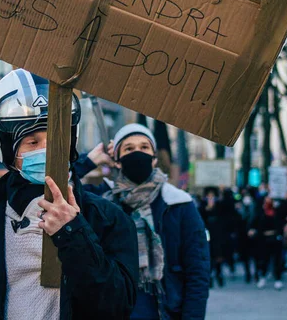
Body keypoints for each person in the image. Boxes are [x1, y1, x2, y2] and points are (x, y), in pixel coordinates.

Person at [0, 69, 139, 320]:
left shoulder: (109, 219)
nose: (46, 150)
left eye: (55, 138)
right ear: (9, 151)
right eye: (32, 143)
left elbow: (117, 306)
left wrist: (74, 232)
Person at [81, 124, 210, 320]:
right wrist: (90, 160)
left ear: (154, 158)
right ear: (117, 160)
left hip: (164, 313)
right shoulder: (101, 201)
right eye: (129, 149)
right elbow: (57, 185)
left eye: (144, 147)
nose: (137, 153)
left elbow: (197, 272)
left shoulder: (178, 203)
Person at [252, 196, 284, 290]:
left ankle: (278, 279)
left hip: (275, 240)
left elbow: (280, 225)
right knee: (264, 260)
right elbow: (255, 224)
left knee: (277, 260)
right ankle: (263, 277)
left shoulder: (277, 212)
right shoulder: (260, 213)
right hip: (264, 240)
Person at [199, 188, 226, 288]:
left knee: (218, 256)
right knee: (209, 256)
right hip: (207, 234)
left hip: (218, 234)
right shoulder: (202, 207)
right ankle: (209, 276)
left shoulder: (219, 206)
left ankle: (219, 274)